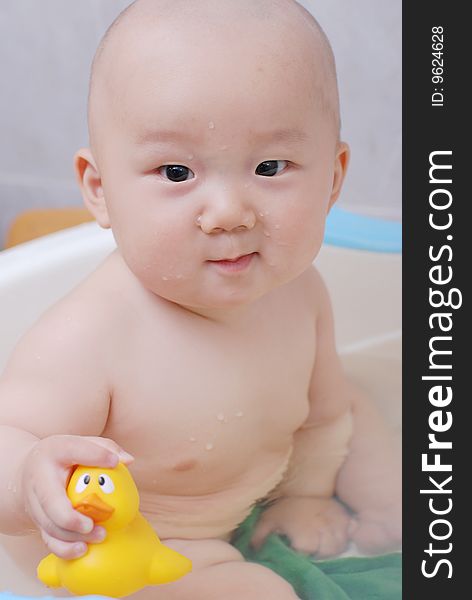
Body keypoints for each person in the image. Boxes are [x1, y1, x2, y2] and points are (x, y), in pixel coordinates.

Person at [0, 1, 401, 598]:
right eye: (176, 172)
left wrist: (309, 495)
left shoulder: (302, 291)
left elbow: (321, 415)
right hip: (143, 550)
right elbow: (10, 435)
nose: (228, 213)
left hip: (258, 486)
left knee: (370, 423)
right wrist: (33, 478)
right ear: (101, 189)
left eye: (270, 166)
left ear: (333, 178)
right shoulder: (91, 336)